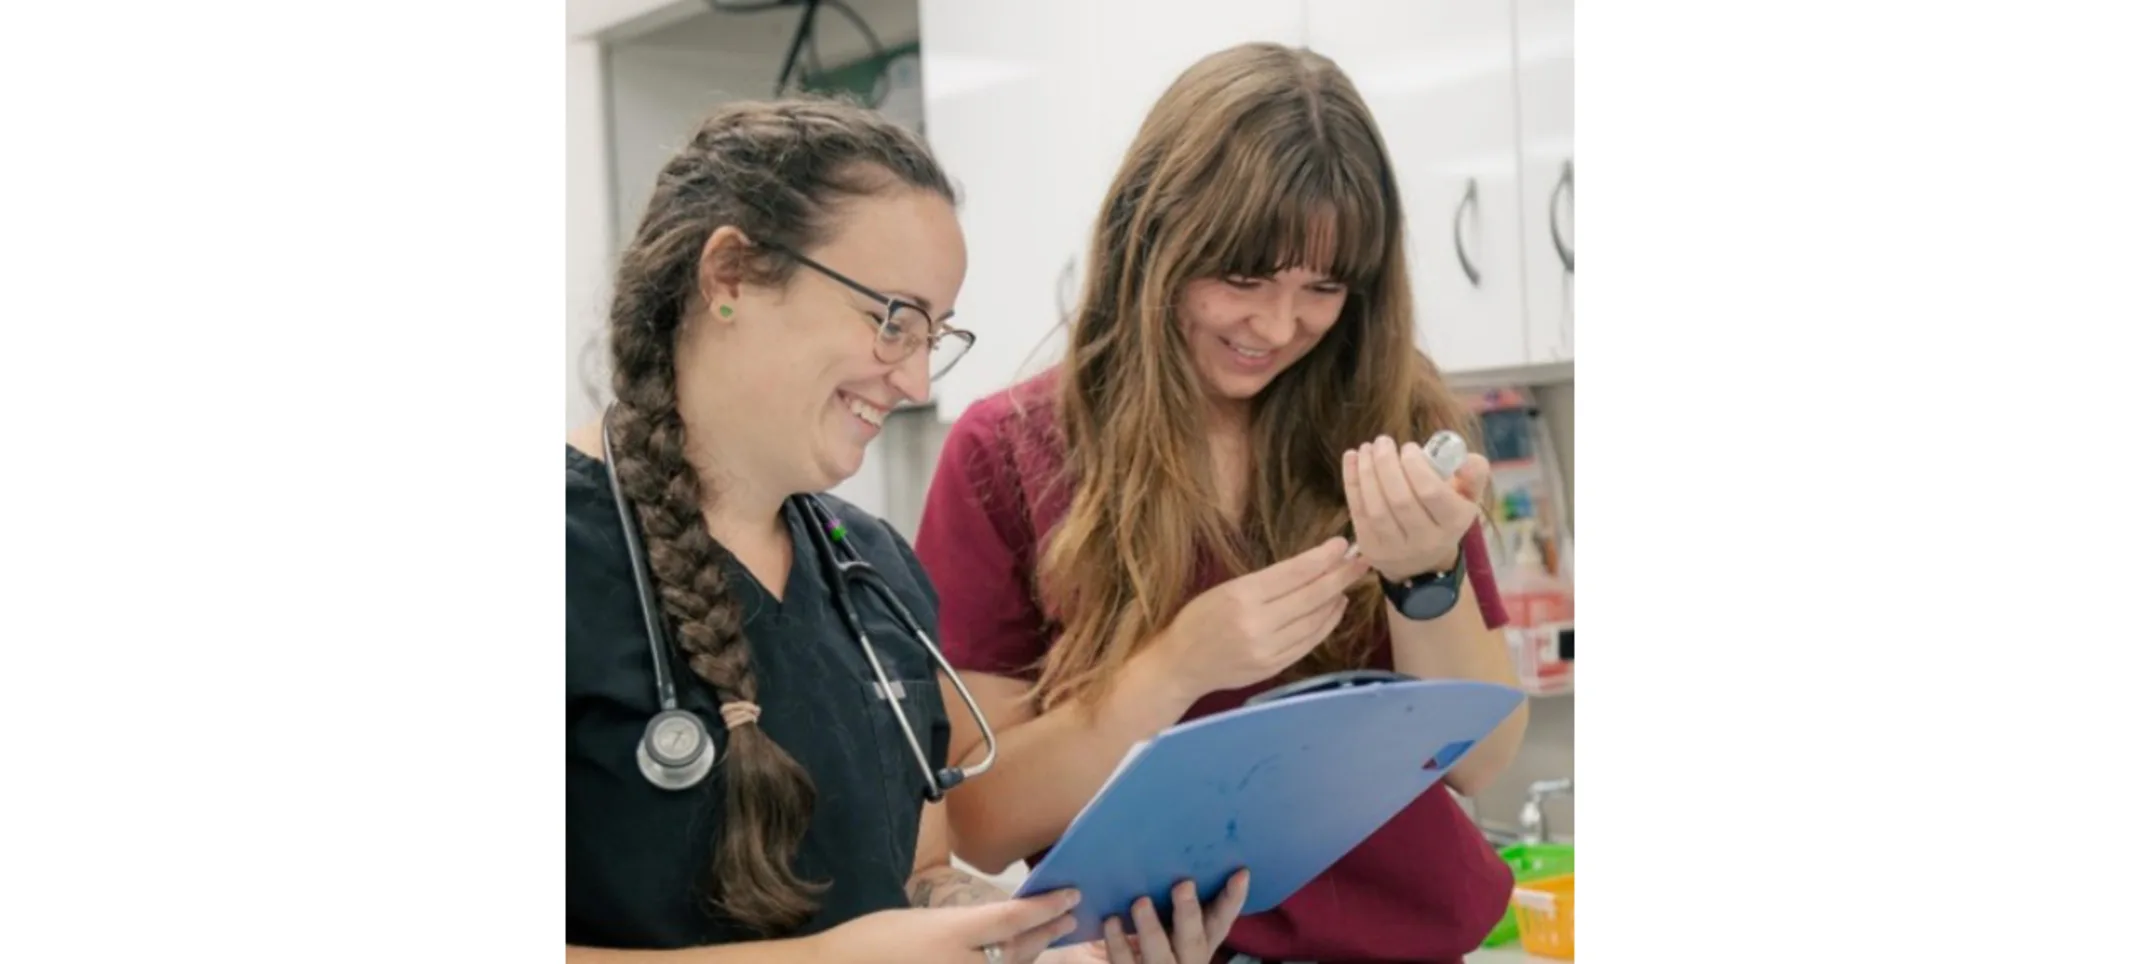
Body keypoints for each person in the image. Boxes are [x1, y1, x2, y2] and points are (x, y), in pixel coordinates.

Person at [566, 97, 1248, 964]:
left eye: (935, 335)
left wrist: (1041, 939)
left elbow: (921, 874)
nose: (918, 382)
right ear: (730, 275)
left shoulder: (874, 572)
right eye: (893, 319)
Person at [913, 43, 1532, 964]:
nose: (1278, 326)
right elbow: (983, 820)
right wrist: (1175, 668)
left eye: (1323, 288)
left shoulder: (1397, 423)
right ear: (1150, 237)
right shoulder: (1006, 454)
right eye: (1242, 279)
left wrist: (1424, 579)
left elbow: (1483, 759)